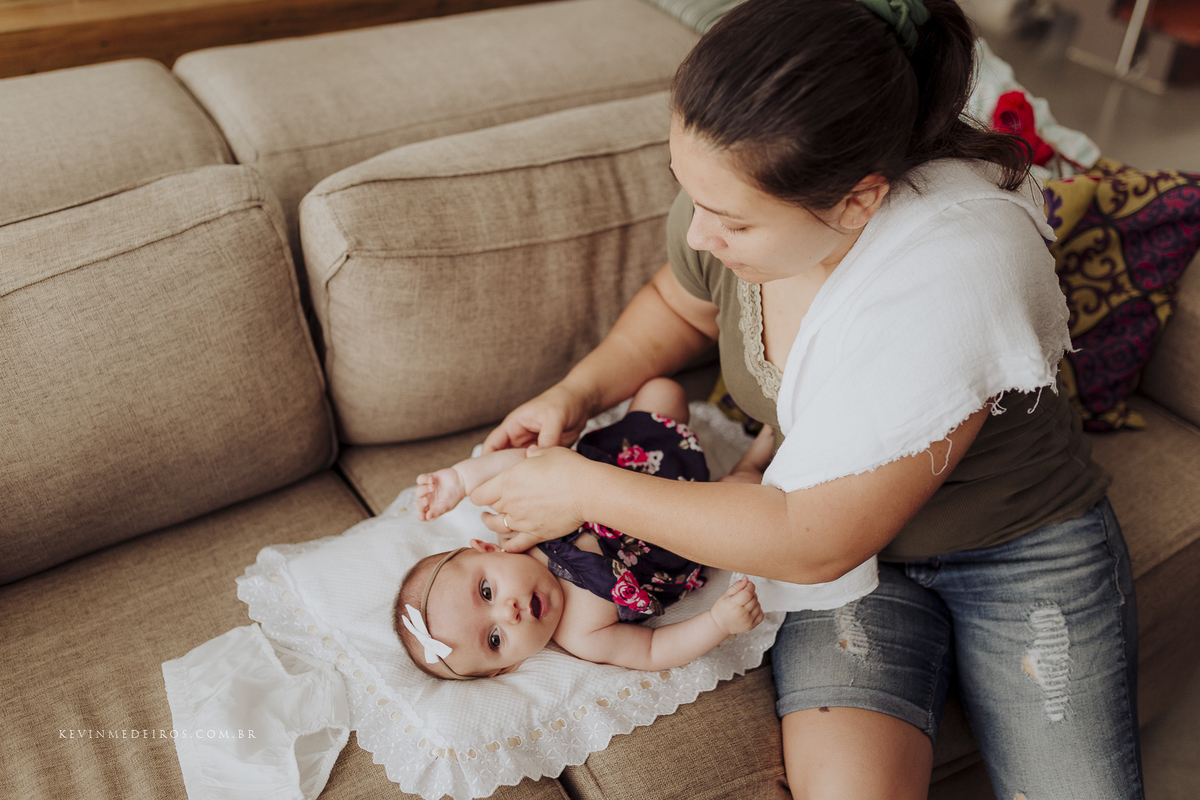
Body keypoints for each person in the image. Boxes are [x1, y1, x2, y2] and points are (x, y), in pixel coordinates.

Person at [462, 0, 1144, 797]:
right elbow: (685, 302)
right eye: (690, 193)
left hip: (1014, 544)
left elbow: (813, 536)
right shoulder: (732, 190)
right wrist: (574, 393)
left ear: (858, 201)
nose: (697, 234)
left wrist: (578, 484)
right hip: (857, 570)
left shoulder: (956, 274)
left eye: (729, 222)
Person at [393, 377, 765, 680]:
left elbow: (525, 463)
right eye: (494, 639)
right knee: (744, 503)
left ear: (488, 550)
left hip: (630, 463)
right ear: (507, 666)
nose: (509, 613)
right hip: (683, 526)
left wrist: (460, 479)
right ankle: (752, 461)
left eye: (487, 591)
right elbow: (653, 651)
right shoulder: (583, 634)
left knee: (662, 391)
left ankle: (698, 433)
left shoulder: (516, 530)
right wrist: (719, 622)